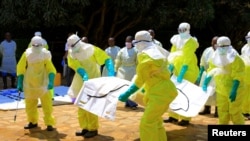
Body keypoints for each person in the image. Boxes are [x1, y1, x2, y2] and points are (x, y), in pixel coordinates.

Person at [118, 30, 177, 141]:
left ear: (139, 43)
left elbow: (140, 80)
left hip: (159, 94)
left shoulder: (145, 57)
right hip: (166, 90)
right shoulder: (157, 51)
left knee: (147, 123)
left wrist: (127, 93)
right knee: (156, 121)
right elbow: (168, 69)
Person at [66, 34, 115, 138]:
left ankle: (93, 129)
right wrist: (82, 73)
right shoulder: (71, 52)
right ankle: (85, 127)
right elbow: (74, 64)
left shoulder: (91, 49)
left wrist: (111, 72)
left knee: (91, 106)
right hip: (80, 80)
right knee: (81, 104)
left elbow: (106, 59)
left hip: (93, 79)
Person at [202, 36, 246, 124]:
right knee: (222, 112)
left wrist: (234, 89)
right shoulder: (215, 56)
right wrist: (205, 82)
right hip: (221, 89)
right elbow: (211, 70)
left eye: (223, 46)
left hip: (235, 89)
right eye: (219, 46)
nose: (221, 48)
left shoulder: (235, 58)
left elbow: (238, 74)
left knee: (235, 112)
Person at [16, 36, 56, 131]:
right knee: (30, 103)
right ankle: (32, 121)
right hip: (30, 82)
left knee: (47, 104)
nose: (37, 46)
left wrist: (51, 81)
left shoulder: (46, 54)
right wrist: (20, 83)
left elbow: (51, 69)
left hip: (43, 81)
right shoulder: (26, 54)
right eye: (35, 45)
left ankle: (49, 123)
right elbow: (20, 68)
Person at [164, 22, 199, 126]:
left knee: (186, 94)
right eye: (180, 30)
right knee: (174, 93)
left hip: (189, 70)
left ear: (188, 30)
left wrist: (183, 72)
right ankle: (173, 116)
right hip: (177, 69)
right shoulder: (176, 39)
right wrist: (170, 66)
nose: (181, 32)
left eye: (183, 30)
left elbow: (187, 59)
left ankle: (185, 118)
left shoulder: (191, 41)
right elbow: (173, 54)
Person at [197, 36, 218, 117]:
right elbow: (202, 62)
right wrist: (201, 73)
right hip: (208, 73)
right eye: (214, 42)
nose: (215, 44)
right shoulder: (207, 50)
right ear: (211, 43)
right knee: (206, 92)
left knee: (217, 93)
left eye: (217, 43)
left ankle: (218, 110)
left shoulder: (222, 51)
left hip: (218, 75)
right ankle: (207, 108)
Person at [115, 35, 138, 110]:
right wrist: (116, 69)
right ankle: (127, 102)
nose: (127, 43)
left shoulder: (136, 50)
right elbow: (118, 61)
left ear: (132, 42)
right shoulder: (121, 50)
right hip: (123, 71)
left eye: (129, 41)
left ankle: (132, 103)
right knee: (124, 87)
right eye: (126, 41)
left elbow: (138, 62)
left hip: (132, 70)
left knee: (131, 87)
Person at [240, 31, 250, 120]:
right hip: (246, 73)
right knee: (245, 93)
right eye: (248, 38)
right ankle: (245, 111)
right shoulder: (245, 48)